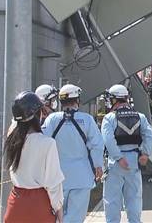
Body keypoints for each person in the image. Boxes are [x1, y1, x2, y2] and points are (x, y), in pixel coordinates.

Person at [42, 84, 104, 223]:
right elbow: (97, 145)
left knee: (56, 214)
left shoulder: (52, 119)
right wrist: (98, 166)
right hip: (82, 175)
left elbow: (43, 142)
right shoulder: (87, 119)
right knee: (76, 216)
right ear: (77, 100)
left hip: (57, 175)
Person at [4, 91, 64, 223]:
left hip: (15, 204)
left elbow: (16, 122)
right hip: (39, 205)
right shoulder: (48, 143)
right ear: (37, 114)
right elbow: (53, 184)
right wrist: (59, 212)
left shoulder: (11, 140)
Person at [101, 84, 152, 223]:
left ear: (114, 100)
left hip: (115, 163)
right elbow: (150, 136)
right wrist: (145, 154)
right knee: (134, 198)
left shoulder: (109, 118)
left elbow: (108, 140)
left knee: (112, 200)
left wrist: (118, 157)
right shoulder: (140, 117)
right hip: (134, 161)